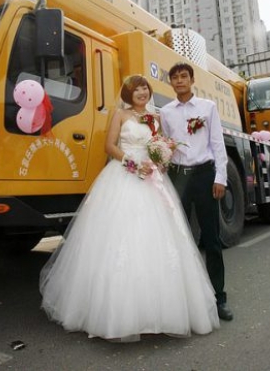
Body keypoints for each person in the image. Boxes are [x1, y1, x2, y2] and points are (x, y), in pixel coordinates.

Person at [40, 74, 219, 342]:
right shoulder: (120, 115)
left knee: (158, 239)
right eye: (137, 89)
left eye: (145, 88)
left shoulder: (155, 118)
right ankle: (118, 315)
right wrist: (133, 165)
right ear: (128, 93)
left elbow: (160, 148)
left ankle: (161, 312)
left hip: (151, 179)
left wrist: (158, 162)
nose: (142, 92)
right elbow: (109, 146)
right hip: (124, 175)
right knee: (120, 239)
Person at [160, 62, 233, 322]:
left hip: (204, 175)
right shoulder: (166, 112)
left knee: (211, 239)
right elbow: (167, 146)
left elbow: (217, 144)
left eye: (183, 76)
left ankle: (219, 298)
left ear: (192, 80)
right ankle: (185, 301)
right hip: (177, 177)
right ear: (171, 82)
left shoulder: (207, 108)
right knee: (179, 239)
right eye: (175, 77)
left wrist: (220, 178)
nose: (179, 81)